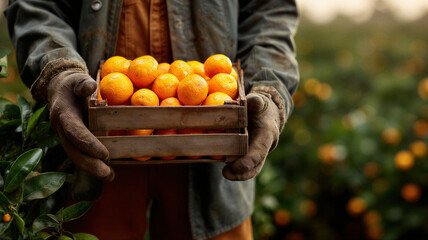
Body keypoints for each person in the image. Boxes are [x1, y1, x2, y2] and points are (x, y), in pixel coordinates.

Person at [5, 0, 299, 239]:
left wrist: (269, 85)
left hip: (211, 146)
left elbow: (268, 9)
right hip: (94, 135)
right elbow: (36, 5)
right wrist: (57, 69)